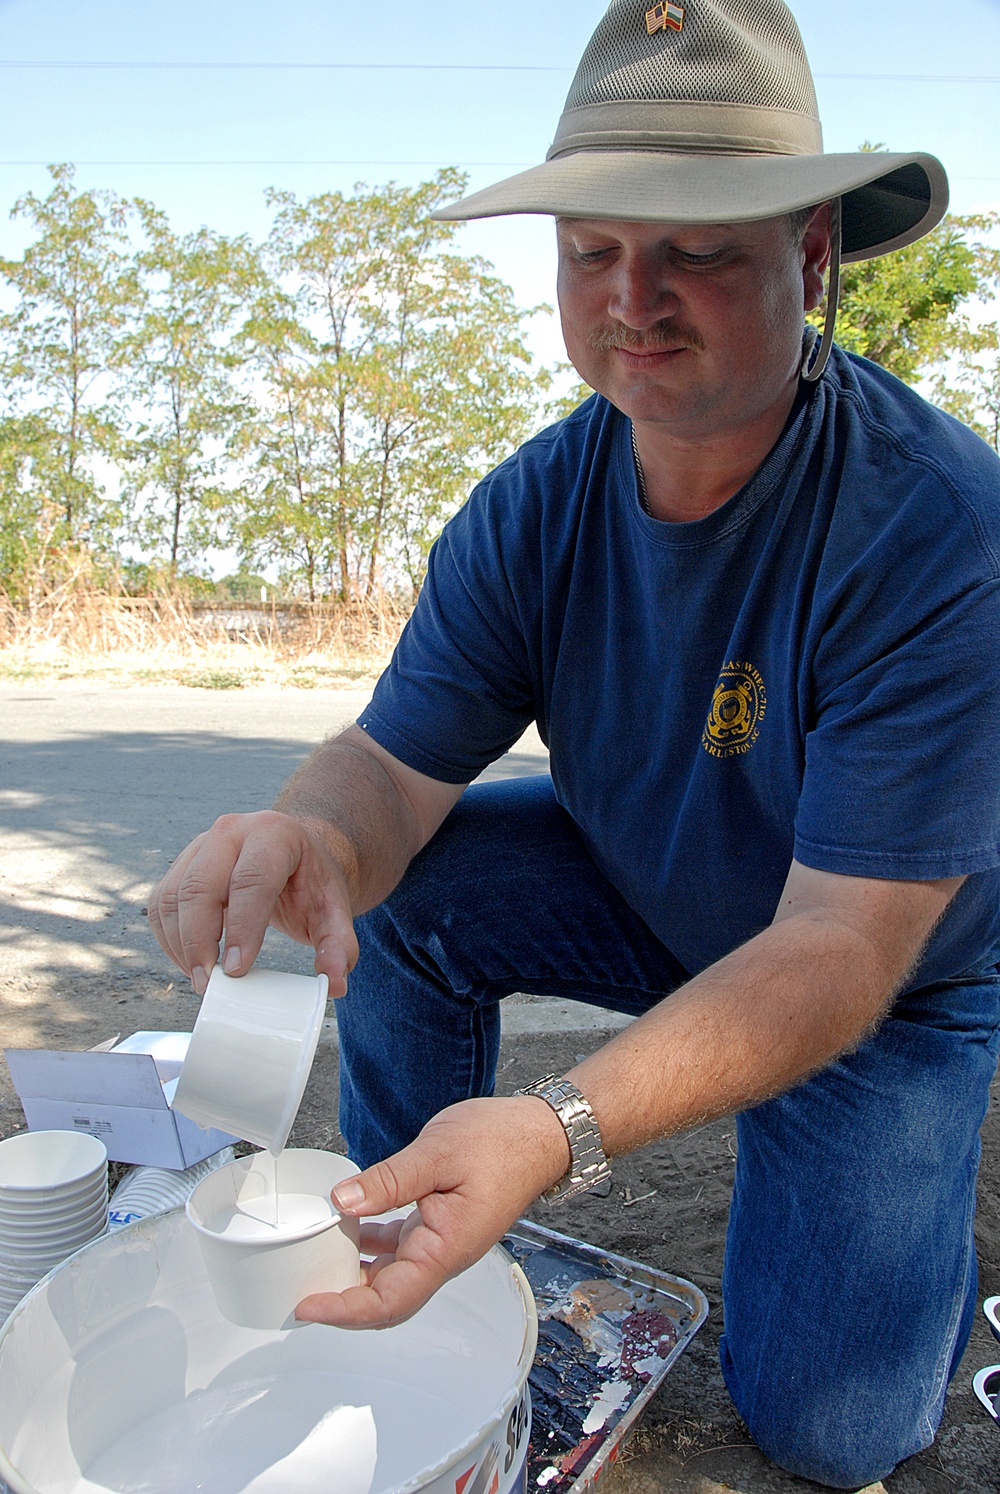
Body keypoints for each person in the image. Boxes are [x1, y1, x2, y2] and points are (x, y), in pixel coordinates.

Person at [149, 2, 1000, 1485]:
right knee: (396, 895)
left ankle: (910, 1229)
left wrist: (557, 1125)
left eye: (699, 252)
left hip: (877, 974)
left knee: (833, 1426)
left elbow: (834, 955)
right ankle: (411, 1226)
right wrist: (307, 834)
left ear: (811, 255)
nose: (634, 299)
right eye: (593, 249)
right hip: (646, 885)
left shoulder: (934, 531)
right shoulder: (531, 507)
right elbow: (391, 771)